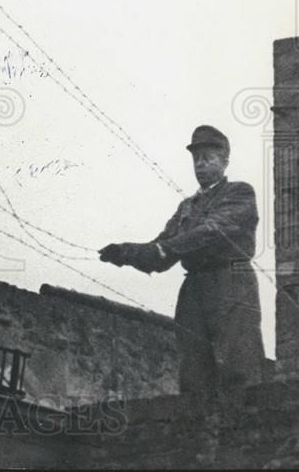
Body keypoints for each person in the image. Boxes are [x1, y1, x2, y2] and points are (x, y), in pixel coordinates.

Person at [99, 125, 265, 403]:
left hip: (230, 282)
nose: (200, 164)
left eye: (208, 157)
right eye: (196, 158)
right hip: (195, 288)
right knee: (193, 371)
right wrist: (125, 253)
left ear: (225, 161)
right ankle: (196, 437)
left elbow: (212, 231)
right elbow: (160, 250)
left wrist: (166, 249)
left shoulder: (239, 193)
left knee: (238, 365)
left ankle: (247, 432)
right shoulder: (186, 207)